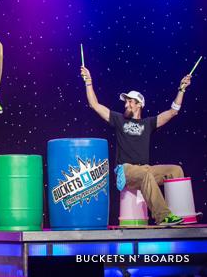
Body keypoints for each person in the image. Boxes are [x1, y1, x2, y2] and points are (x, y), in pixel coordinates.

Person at [80, 65, 192, 225]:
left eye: (130, 102)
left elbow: (173, 111)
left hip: (144, 169)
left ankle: (181, 215)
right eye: (126, 102)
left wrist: (181, 90)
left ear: (139, 104)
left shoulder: (148, 123)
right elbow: (95, 105)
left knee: (176, 170)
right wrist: (88, 82)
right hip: (126, 170)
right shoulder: (119, 119)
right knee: (145, 174)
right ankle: (163, 216)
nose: (126, 105)